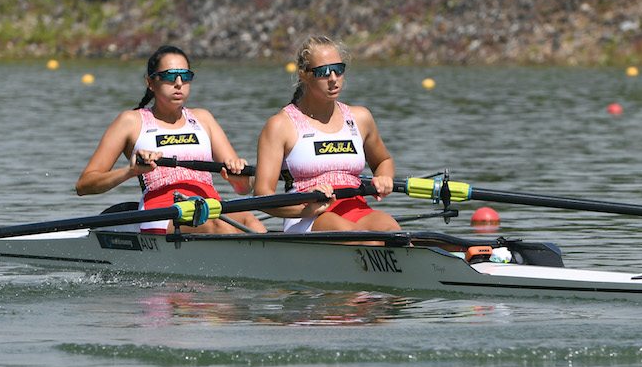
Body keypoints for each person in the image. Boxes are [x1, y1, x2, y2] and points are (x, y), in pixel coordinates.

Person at [76, 45, 267, 234]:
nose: (178, 83)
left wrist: (239, 178)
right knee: (217, 227)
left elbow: (244, 189)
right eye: (169, 76)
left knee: (251, 221)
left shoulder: (203, 119)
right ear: (151, 83)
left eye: (185, 76)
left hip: (210, 207)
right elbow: (84, 185)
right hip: (160, 213)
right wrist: (130, 171)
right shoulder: (131, 122)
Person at [254, 36, 401, 233]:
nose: (333, 78)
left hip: (356, 208)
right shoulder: (281, 125)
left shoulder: (360, 118)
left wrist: (383, 177)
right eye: (323, 72)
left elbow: (384, 160)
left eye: (338, 69)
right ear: (304, 76)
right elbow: (262, 196)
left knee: (392, 229)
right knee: (351, 234)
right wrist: (305, 209)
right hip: (307, 216)